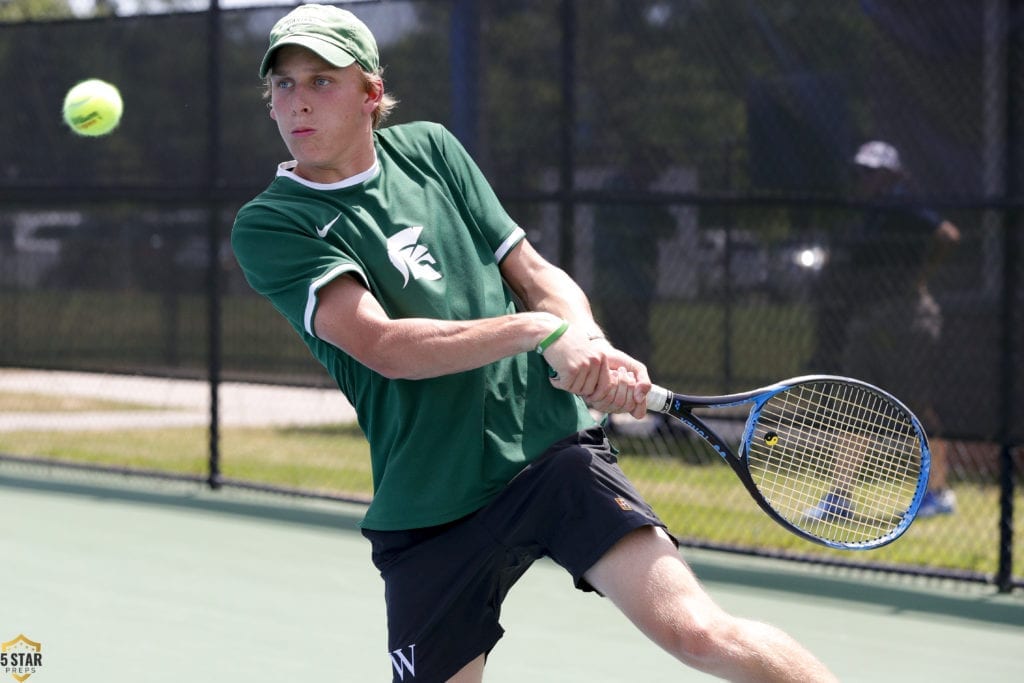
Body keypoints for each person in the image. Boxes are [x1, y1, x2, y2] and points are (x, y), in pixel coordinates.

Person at [232, 6, 838, 681]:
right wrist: (541, 331)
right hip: (431, 498)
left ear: (371, 93)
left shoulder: (431, 151)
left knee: (696, 629)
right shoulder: (273, 223)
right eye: (282, 85)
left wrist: (589, 342)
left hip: (551, 454)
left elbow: (536, 275)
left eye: (320, 81)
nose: (296, 102)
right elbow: (383, 345)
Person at [806, 141, 960, 521]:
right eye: (860, 172)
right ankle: (840, 498)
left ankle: (936, 493)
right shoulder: (867, 214)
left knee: (916, 406)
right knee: (856, 405)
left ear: (892, 174)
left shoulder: (902, 204)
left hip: (906, 319)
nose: (864, 179)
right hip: (868, 318)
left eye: (872, 172)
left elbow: (948, 235)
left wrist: (920, 278)